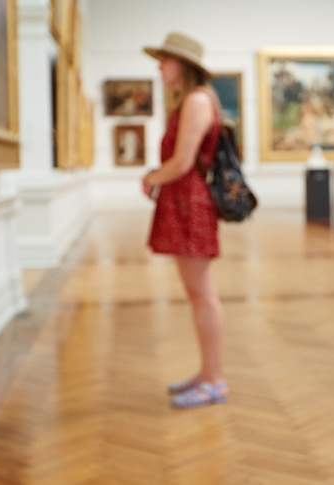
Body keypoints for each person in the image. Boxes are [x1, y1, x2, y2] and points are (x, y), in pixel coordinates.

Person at [141, 32, 227, 409]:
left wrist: (150, 177)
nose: (160, 66)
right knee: (198, 294)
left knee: (202, 294)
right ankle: (207, 374)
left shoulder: (195, 100)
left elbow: (183, 161)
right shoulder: (194, 100)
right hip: (185, 202)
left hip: (189, 204)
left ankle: (214, 381)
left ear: (183, 65)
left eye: (165, 59)